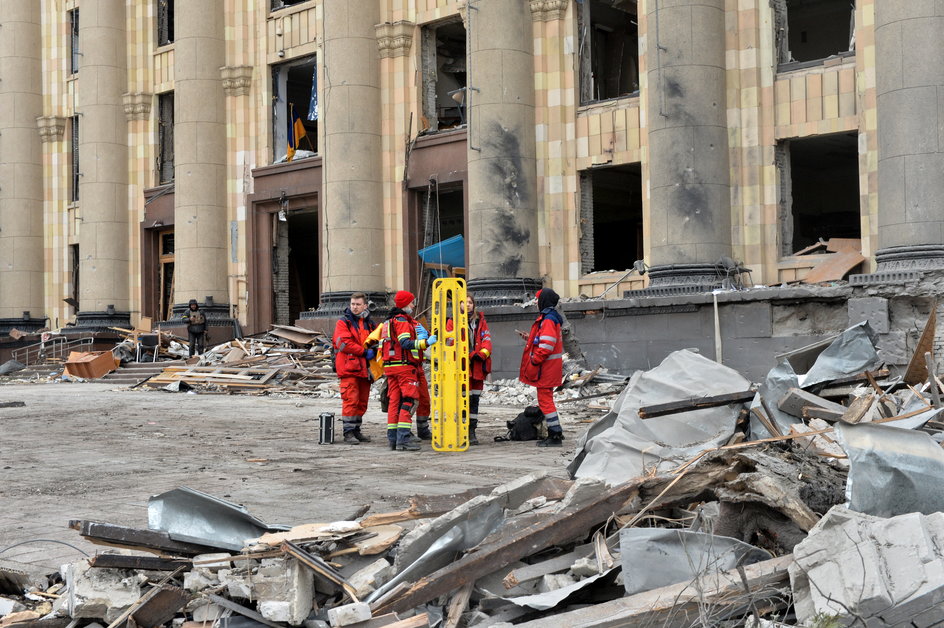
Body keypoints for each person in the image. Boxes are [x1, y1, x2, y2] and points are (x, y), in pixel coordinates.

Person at [375, 291, 437, 451]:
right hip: (404, 366)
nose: (414, 305)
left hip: (390, 367)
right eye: (411, 302)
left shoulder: (389, 321)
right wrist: (425, 343)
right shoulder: (402, 321)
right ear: (404, 304)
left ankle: (393, 438)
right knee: (410, 400)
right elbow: (405, 343)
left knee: (394, 402)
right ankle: (404, 438)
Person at [519, 288, 564, 447]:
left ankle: (555, 435)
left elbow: (545, 346)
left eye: (538, 299)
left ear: (544, 300)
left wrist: (534, 360)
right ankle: (556, 431)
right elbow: (544, 341)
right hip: (549, 368)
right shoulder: (550, 318)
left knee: (545, 401)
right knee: (547, 400)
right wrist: (529, 338)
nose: (536, 302)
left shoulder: (548, 320)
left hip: (545, 368)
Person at [446, 294, 492, 445]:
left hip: (477, 366)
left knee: (474, 400)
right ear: (458, 305)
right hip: (462, 366)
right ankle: (462, 429)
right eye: (464, 302)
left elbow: (487, 340)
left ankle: (472, 430)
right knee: (463, 399)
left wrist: (481, 355)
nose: (467, 305)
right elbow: (451, 343)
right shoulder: (453, 322)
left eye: (470, 302)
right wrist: (470, 354)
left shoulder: (480, 321)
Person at [333, 292, 376, 444]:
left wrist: (375, 350)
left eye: (358, 304)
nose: (355, 307)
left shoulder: (369, 324)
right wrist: (365, 352)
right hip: (349, 368)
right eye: (353, 304)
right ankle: (348, 433)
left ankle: (356, 430)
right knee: (351, 400)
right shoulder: (343, 322)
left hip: (364, 369)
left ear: (365, 305)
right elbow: (343, 344)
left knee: (362, 402)